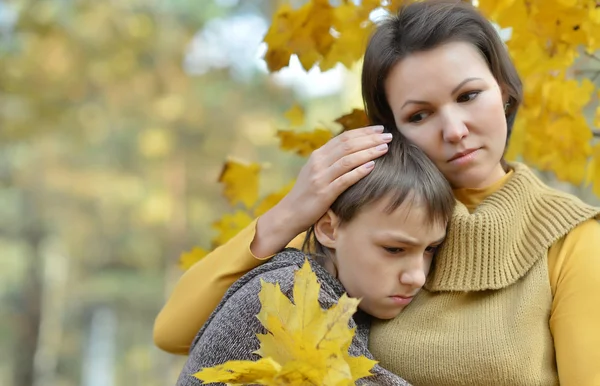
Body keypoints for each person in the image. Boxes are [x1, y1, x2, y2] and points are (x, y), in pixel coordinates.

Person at [155, 1, 600, 385]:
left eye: (468, 96)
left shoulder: (572, 240)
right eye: (421, 115)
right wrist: (291, 211)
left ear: (503, 94)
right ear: (392, 130)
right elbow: (175, 332)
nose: (454, 130)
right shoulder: (367, 222)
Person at [175, 138, 455, 386]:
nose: (417, 277)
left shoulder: (343, 289)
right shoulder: (293, 291)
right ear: (329, 230)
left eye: (430, 249)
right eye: (394, 249)